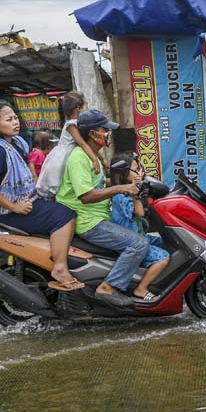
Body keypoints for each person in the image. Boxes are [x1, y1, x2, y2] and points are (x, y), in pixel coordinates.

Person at [0, 101, 83, 291]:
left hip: (25, 199)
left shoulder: (16, 143)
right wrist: (13, 207)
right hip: (5, 209)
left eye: (15, 117)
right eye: (9, 119)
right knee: (65, 215)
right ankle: (60, 268)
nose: (15, 122)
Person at [55, 109, 148, 307]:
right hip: (89, 222)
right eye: (105, 129)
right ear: (92, 134)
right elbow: (86, 195)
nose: (108, 134)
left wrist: (128, 184)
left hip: (101, 216)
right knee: (138, 244)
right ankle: (108, 287)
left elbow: (98, 185)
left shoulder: (93, 156)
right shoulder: (79, 158)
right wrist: (121, 187)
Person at [109, 153, 170, 302]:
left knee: (167, 243)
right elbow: (140, 212)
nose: (139, 172)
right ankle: (141, 289)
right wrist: (136, 191)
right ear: (124, 173)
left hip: (139, 234)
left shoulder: (126, 190)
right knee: (163, 258)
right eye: (135, 170)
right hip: (131, 240)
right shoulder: (121, 194)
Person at [36, 91, 109, 197]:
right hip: (63, 156)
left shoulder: (80, 123)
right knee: (58, 181)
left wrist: (102, 159)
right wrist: (95, 159)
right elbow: (83, 143)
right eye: (86, 106)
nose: (88, 109)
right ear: (78, 108)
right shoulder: (71, 124)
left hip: (71, 152)